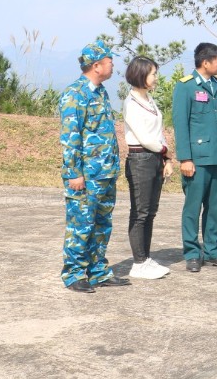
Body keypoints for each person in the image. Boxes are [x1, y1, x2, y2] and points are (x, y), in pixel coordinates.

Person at [59, 39, 130, 293]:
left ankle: (98, 271)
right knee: (81, 226)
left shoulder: (100, 92)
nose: (113, 66)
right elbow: (70, 138)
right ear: (96, 65)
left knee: (102, 225)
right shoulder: (75, 94)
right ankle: (74, 274)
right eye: (110, 61)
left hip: (105, 173)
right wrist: (74, 173)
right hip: (86, 176)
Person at [173, 42, 217, 272]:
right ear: (205, 62)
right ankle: (192, 253)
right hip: (197, 159)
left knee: (214, 208)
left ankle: (213, 252)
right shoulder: (186, 86)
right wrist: (185, 158)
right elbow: (181, 124)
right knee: (193, 209)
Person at [121, 56, 173, 280]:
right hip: (140, 159)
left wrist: (166, 158)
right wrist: (165, 151)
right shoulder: (131, 103)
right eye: (153, 74)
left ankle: (146, 257)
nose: (156, 78)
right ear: (141, 75)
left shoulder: (149, 99)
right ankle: (138, 262)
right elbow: (144, 137)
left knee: (150, 212)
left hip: (155, 157)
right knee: (140, 212)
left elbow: (158, 132)